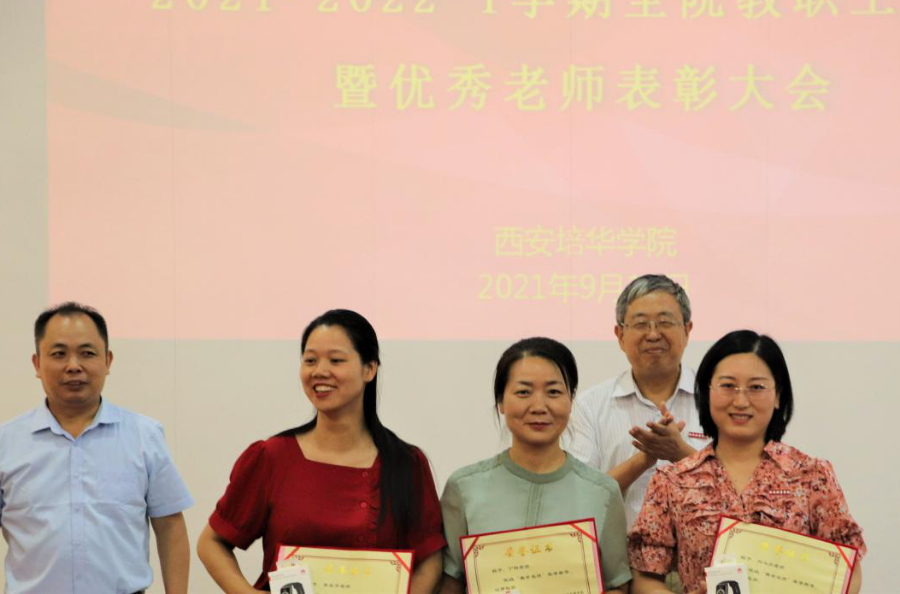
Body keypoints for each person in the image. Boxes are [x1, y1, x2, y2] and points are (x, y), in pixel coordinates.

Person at [197, 309, 445, 593]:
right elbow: (211, 542)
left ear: (369, 369)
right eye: (310, 360)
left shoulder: (406, 463)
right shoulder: (272, 457)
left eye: (336, 360)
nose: (319, 371)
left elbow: (430, 559)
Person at [628, 330, 866, 594]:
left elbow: (848, 570)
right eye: (728, 386)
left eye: (756, 387)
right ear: (707, 392)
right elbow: (645, 578)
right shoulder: (672, 481)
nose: (741, 401)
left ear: (778, 396)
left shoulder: (812, 475)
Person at [0, 302, 194, 593]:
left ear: (108, 361)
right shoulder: (6, 442)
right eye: (59, 354)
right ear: (37, 364)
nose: (73, 365)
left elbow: (170, 527)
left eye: (87, 353)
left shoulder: (144, 436)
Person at [438, 337, 632, 594]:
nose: (539, 406)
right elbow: (449, 583)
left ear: (571, 400)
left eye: (553, 392)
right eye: (523, 392)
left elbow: (617, 584)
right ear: (501, 402)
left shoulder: (602, 491)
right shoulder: (464, 487)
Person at [568, 274, 710, 529]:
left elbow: (739, 488)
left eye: (665, 322)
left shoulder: (717, 400)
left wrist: (680, 454)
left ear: (687, 331)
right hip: (618, 553)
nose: (653, 334)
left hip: (703, 553)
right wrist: (642, 461)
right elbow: (579, 498)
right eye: (641, 324)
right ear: (620, 335)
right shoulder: (590, 406)